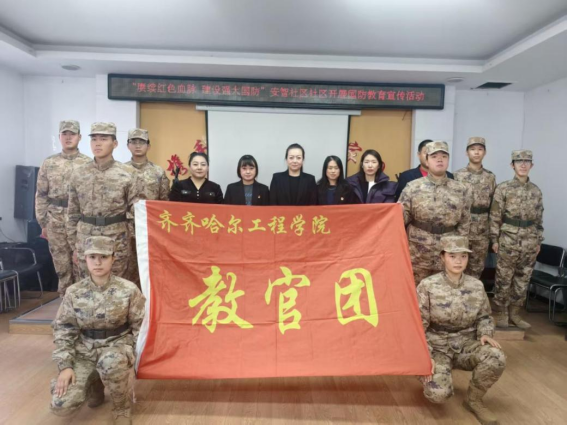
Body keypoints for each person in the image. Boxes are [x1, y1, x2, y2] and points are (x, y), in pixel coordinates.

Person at [50, 236, 146, 425]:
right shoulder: (74, 292)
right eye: (92, 257)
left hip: (117, 345)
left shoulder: (128, 290)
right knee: (61, 405)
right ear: (84, 259)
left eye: (103, 257)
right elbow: (63, 330)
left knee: (111, 363)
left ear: (113, 258)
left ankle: (121, 407)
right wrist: (65, 366)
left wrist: (134, 358)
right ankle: (95, 385)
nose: (98, 262)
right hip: (84, 350)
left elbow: (140, 326)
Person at [417, 236, 506, 426]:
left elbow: (484, 316)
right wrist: (425, 355)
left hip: (466, 344)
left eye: (463, 256)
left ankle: (474, 401)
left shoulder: (476, 286)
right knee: (438, 394)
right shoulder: (428, 286)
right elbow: (417, 326)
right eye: (452, 256)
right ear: (442, 257)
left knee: (496, 356)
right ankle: (434, 375)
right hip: (437, 346)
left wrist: (485, 333)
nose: (458, 261)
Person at [67, 123, 144, 280]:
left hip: (116, 239)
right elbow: (73, 212)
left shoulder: (128, 174)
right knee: (86, 285)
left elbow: (136, 212)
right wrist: (74, 245)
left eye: (103, 139)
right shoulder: (79, 173)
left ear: (114, 143)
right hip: (85, 239)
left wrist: (130, 241)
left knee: (117, 285)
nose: (98, 143)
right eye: (94, 139)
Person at [399, 141, 472, 286]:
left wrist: (458, 250)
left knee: (444, 289)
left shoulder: (461, 189)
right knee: (415, 287)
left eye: (444, 156)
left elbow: (465, 221)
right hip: (418, 249)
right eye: (434, 156)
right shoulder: (413, 187)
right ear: (426, 160)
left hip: (447, 249)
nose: (440, 160)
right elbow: (401, 218)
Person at [35, 120, 91, 296]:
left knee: (82, 262)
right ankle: (65, 300)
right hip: (55, 218)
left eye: (72, 134)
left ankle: (81, 301)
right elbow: (41, 194)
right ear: (59, 137)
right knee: (61, 264)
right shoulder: (49, 163)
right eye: (64, 134)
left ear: (79, 137)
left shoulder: (88, 164)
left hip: (80, 219)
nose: (68, 137)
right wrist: (43, 222)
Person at [490, 150, 544, 330]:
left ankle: (515, 313)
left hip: (530, 241)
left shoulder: (536, 191)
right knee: (503, 278)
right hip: (508, 239)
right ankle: (501, 313)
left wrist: (538, 241)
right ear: (512, 165)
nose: (523, 164)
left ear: (531, 165)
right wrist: (494, 239)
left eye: (527, 161)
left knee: (523, 279)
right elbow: (495, 216)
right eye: (519, 161)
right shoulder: (503, 188)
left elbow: (539, 219)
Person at [125, 128, 170, 285]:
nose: (138, 145)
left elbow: (164, 202)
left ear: (148, 146)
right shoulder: (120, 171)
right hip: (125, 228)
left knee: (150, 268)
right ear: (128, 145)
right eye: (134, 142)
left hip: (150, 228)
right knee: (127, 268)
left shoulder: (158, 172)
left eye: (142, 142)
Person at [454, 137, 497, 279]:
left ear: (485, 152)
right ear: (467, 153)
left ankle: (472, 293)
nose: (476, 152)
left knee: (477, 268)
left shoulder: (490, 177)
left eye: (480, 149)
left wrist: (493, 235)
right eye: (473, 149)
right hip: (462, 229)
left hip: (482, 230)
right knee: (457, 266)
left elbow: (494, 207)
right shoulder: (457, 175)